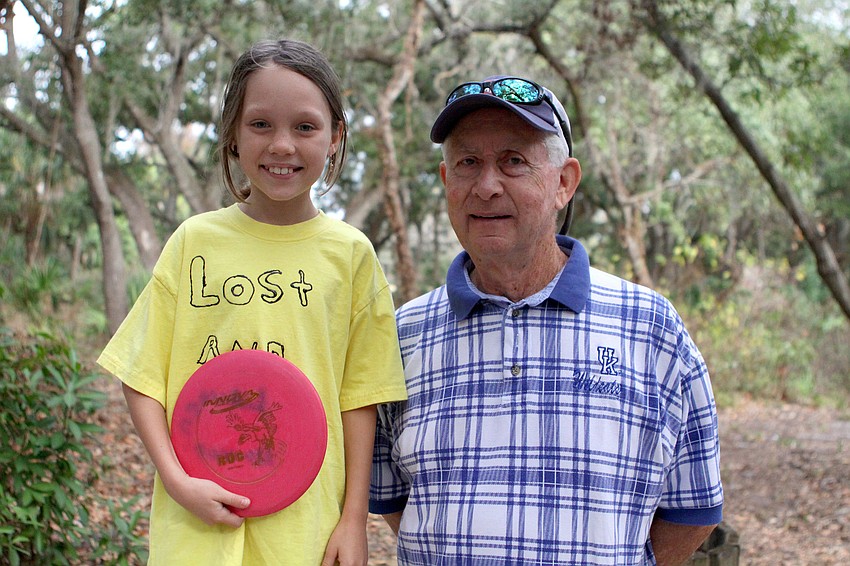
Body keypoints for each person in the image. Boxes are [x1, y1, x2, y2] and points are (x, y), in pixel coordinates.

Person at [369, 76, 723, 565]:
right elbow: (393, 502)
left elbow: (694, 511)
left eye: (513, 161)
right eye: (468, 163)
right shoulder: (402, 336)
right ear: (447, 181)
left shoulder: (651, 329)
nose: (487, 186)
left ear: (563, 183)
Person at [98, 39, 407, 566]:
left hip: (305, 528)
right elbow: (141, 374)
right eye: (261, 124)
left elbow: (360, 398)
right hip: (198, 527)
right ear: (233, 138)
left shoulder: (351, 256)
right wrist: (176, 482)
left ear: (335, 138)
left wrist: (353, 519)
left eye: (305, 127)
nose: (282, 145)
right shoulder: (195, 242)